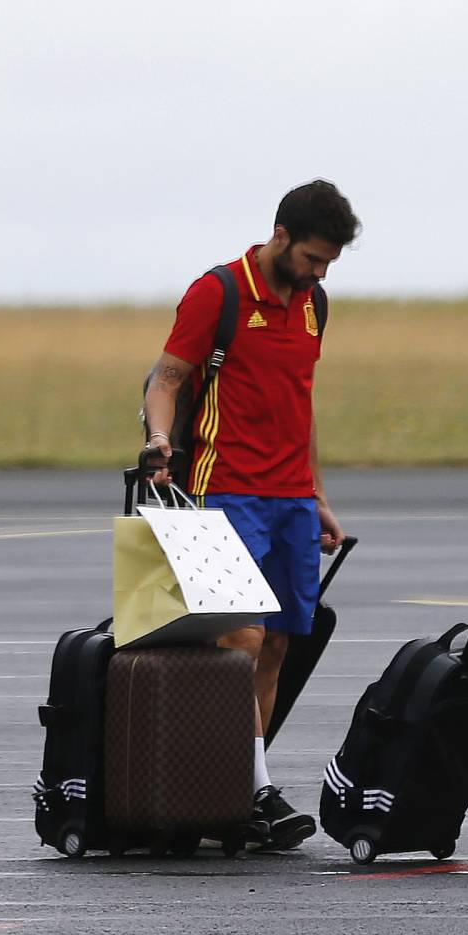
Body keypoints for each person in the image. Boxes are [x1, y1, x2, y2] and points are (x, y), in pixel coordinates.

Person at [141, 178, 358, 850]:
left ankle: (240, 786)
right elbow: (168, 376)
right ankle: (253, 791)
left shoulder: (314, 302)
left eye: (328, 266)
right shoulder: (221, 292)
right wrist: (159, 439)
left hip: (291, 498)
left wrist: (318, 495)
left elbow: (301, 400)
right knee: (240, 643)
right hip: (224, 489)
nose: (318, 274)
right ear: (282, 237)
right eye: (313, 259)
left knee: (282, 643)